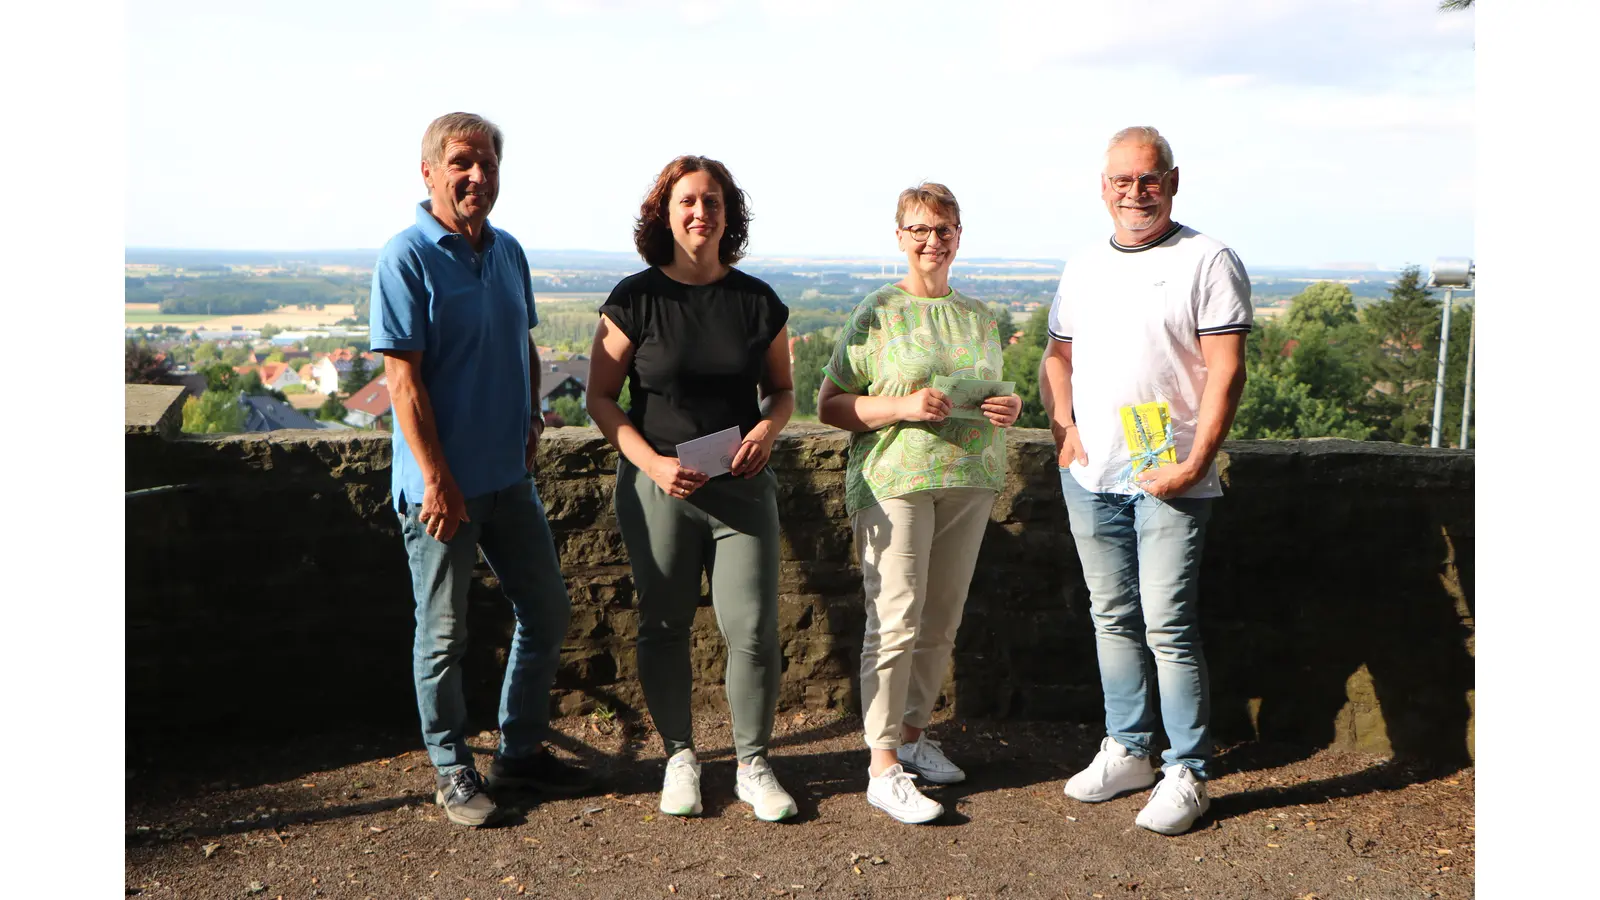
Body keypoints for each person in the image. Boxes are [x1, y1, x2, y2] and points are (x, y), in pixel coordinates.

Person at [371, 112, 593, 828]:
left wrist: (530, 417)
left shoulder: (508, 251)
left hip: (508, 479)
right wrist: (436, 479)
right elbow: (402, 383)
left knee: (548, 609)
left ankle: (519, 752)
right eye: (462, 163)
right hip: (442, 491)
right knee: (443, 634)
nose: (477, 177)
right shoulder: (405, 257)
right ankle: (450, 767)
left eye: (488, 165)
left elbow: (522, 345)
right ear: (430, 172)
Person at [1039, 126, 1250, 836]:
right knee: (1112, 618)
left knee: (1169, 626)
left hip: (1172, 477)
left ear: (1173, 180)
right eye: (1122, 181)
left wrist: (1194, 463)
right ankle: (1128, 748)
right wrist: (1063, 428)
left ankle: (1187, 769)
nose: (1136, 193)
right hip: (1093, 474)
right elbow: (1057, 357)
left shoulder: (1207, 259)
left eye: (1149, 179)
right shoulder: (1082, 265)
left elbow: (1227, 371)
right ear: (1104, 188)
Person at [585, 155, 799, 822]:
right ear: (665, 213)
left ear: (729, 215)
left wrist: (768, 428)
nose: (700, 212)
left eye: (712, 201)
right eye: (687, 201)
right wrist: (650, 464)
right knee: (664, 626)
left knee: (754, 630)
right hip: (660, 490)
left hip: (739, 487)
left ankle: (752, 764)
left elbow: (783, 391)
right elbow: (598, 398)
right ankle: (680, 756)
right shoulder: (634, 299)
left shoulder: (758, 302)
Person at [817, 183, 1020, 825]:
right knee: (897, 613)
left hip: (970, 473)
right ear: (900, 236)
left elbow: (996, 392)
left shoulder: (982, 317)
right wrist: (903, 407)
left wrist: (1010, 408)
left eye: (946, 227)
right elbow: (830, 405)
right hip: (896, 479)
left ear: (960, 234)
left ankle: (911, 735)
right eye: (921, 229)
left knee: (941, 619)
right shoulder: (876, 312)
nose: (934, 239)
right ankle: (882, 766)